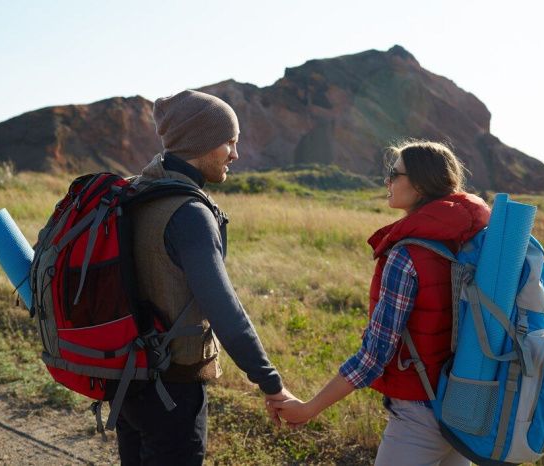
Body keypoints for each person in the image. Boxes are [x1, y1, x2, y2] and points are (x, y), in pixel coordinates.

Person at [269, 141, 491, 466]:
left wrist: (309, 408)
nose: (387, 182)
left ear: (418, 183)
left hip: (420, 414)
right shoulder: (471, 240)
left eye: (393, 174)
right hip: (465, 404)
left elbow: (375, 355)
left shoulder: (406, 255)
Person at [116, 90, 294, 465]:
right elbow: (225, 310)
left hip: (127, 381)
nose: (235, 154)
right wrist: (270, 382)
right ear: (202, 142)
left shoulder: (136, 191)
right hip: (172, 389)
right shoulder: (189, 213)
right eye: (229, 142)